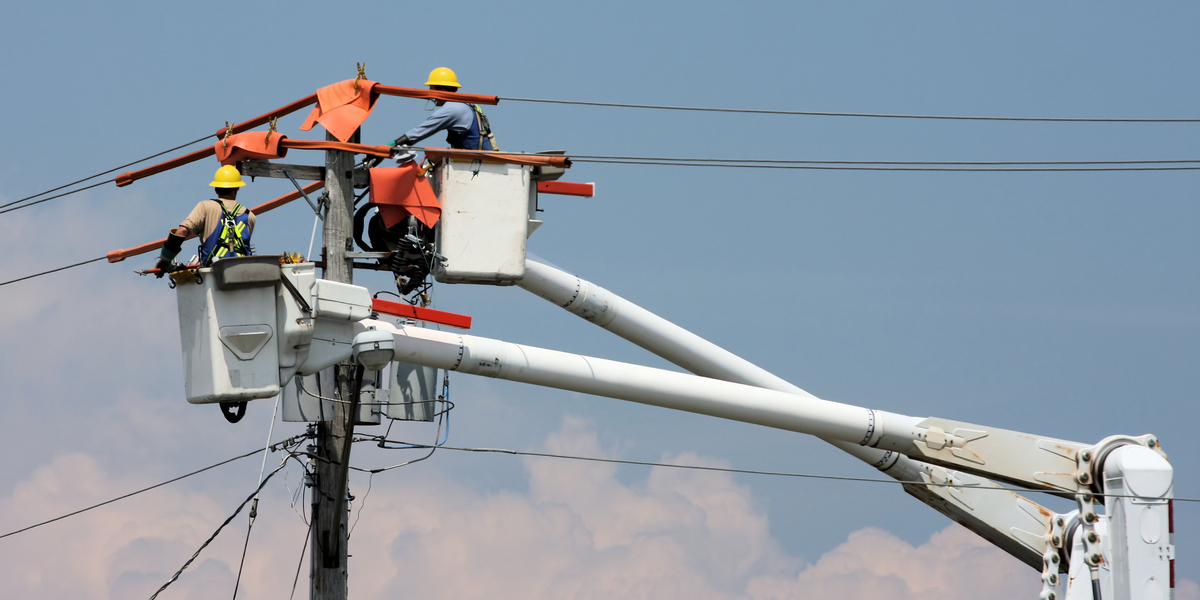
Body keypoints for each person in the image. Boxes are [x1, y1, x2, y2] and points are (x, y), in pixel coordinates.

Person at [155, 165, 257, 276]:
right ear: (237, 188)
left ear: (215, 188)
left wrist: (165, 260)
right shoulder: (249, 216)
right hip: (243, 273)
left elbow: (182, 231)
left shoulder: (205, 207)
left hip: (214, 273)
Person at [391, 67, 498, 151]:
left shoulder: (452, 109)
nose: (430, 95)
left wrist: (392, 145)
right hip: (483, 162)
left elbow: (420, 131)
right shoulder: (468, 105)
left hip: (475, 164)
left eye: (431, 90)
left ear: (441, 90)